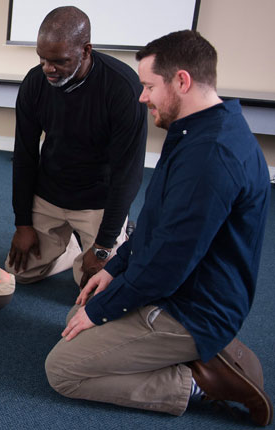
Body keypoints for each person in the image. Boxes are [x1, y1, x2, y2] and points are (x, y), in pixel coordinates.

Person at [45, 30, 272, 426]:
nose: (142, 97)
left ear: (181, 81)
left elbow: (168, 263)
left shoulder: (211, 156)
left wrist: (104, 310)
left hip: (190, 308)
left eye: (149, 86)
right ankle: (195, 353)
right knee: (75, 319)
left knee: (63, 369)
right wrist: (115, 270)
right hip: (181, 287)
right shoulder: (197, 129)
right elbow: (155, 223)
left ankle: (199, 383)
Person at [6, 6, 147, 287]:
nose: (48, 69)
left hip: (97, 201)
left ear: (85, 50)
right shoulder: (35, 83)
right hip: (50, 192)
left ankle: (119, 238)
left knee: (96, 290)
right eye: (42, 59)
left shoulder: (122, 89)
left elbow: (127, 174)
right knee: (19, 273)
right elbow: (24, 155)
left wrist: (104, 246)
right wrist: (22, 224)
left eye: (59, 61)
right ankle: (71, 248)